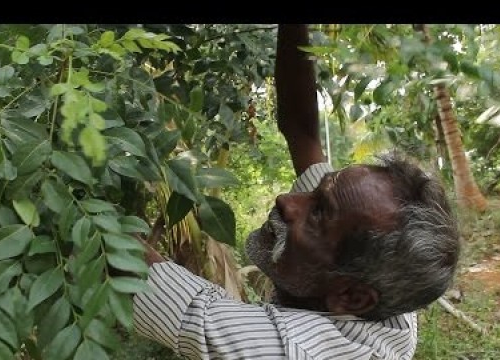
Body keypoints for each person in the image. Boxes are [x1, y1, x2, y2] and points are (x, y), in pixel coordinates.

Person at [132, 24, 461, 360]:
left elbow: (192, 313)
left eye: (318, 211)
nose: (287, 201)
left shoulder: (305, 351)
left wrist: (81, 204)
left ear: (352, 298)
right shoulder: (382, 276)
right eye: (316, 194)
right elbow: (303, 132)